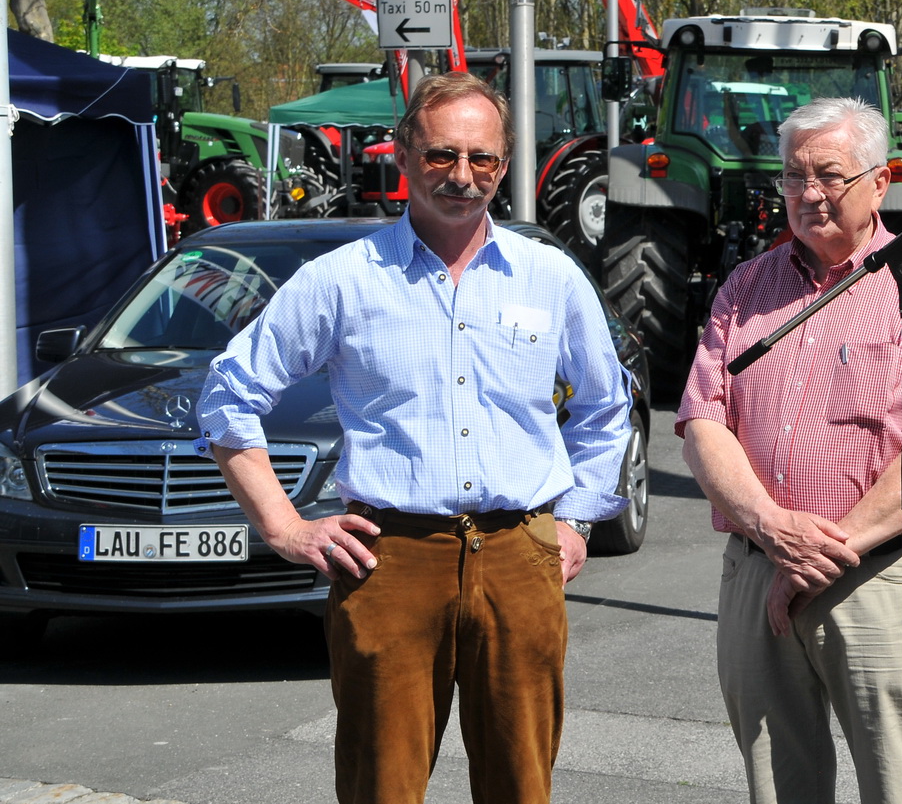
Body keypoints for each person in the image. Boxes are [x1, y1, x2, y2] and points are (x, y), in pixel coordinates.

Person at [199, 72, 633, 804]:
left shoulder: (549, 276)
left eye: (482, 159)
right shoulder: (342, 280)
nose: (462, 176)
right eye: (441, 155)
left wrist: (575, 520)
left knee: (523, 784)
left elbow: (604, 406)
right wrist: (283, 525)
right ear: (402, 154)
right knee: (382, 787)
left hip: (519, 557)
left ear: (504, 164)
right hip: (388, 561)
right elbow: (228, 394)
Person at [678, 96, 902, 804]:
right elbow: (701, 423)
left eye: (828, 174)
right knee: (775, 785)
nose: (808, 192)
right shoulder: (743, 289)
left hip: (878, 579)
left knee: (899, 785)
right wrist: (772, 529)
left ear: (881, 181)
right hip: (756, 569)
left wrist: (814, 558)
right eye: (791, 175)